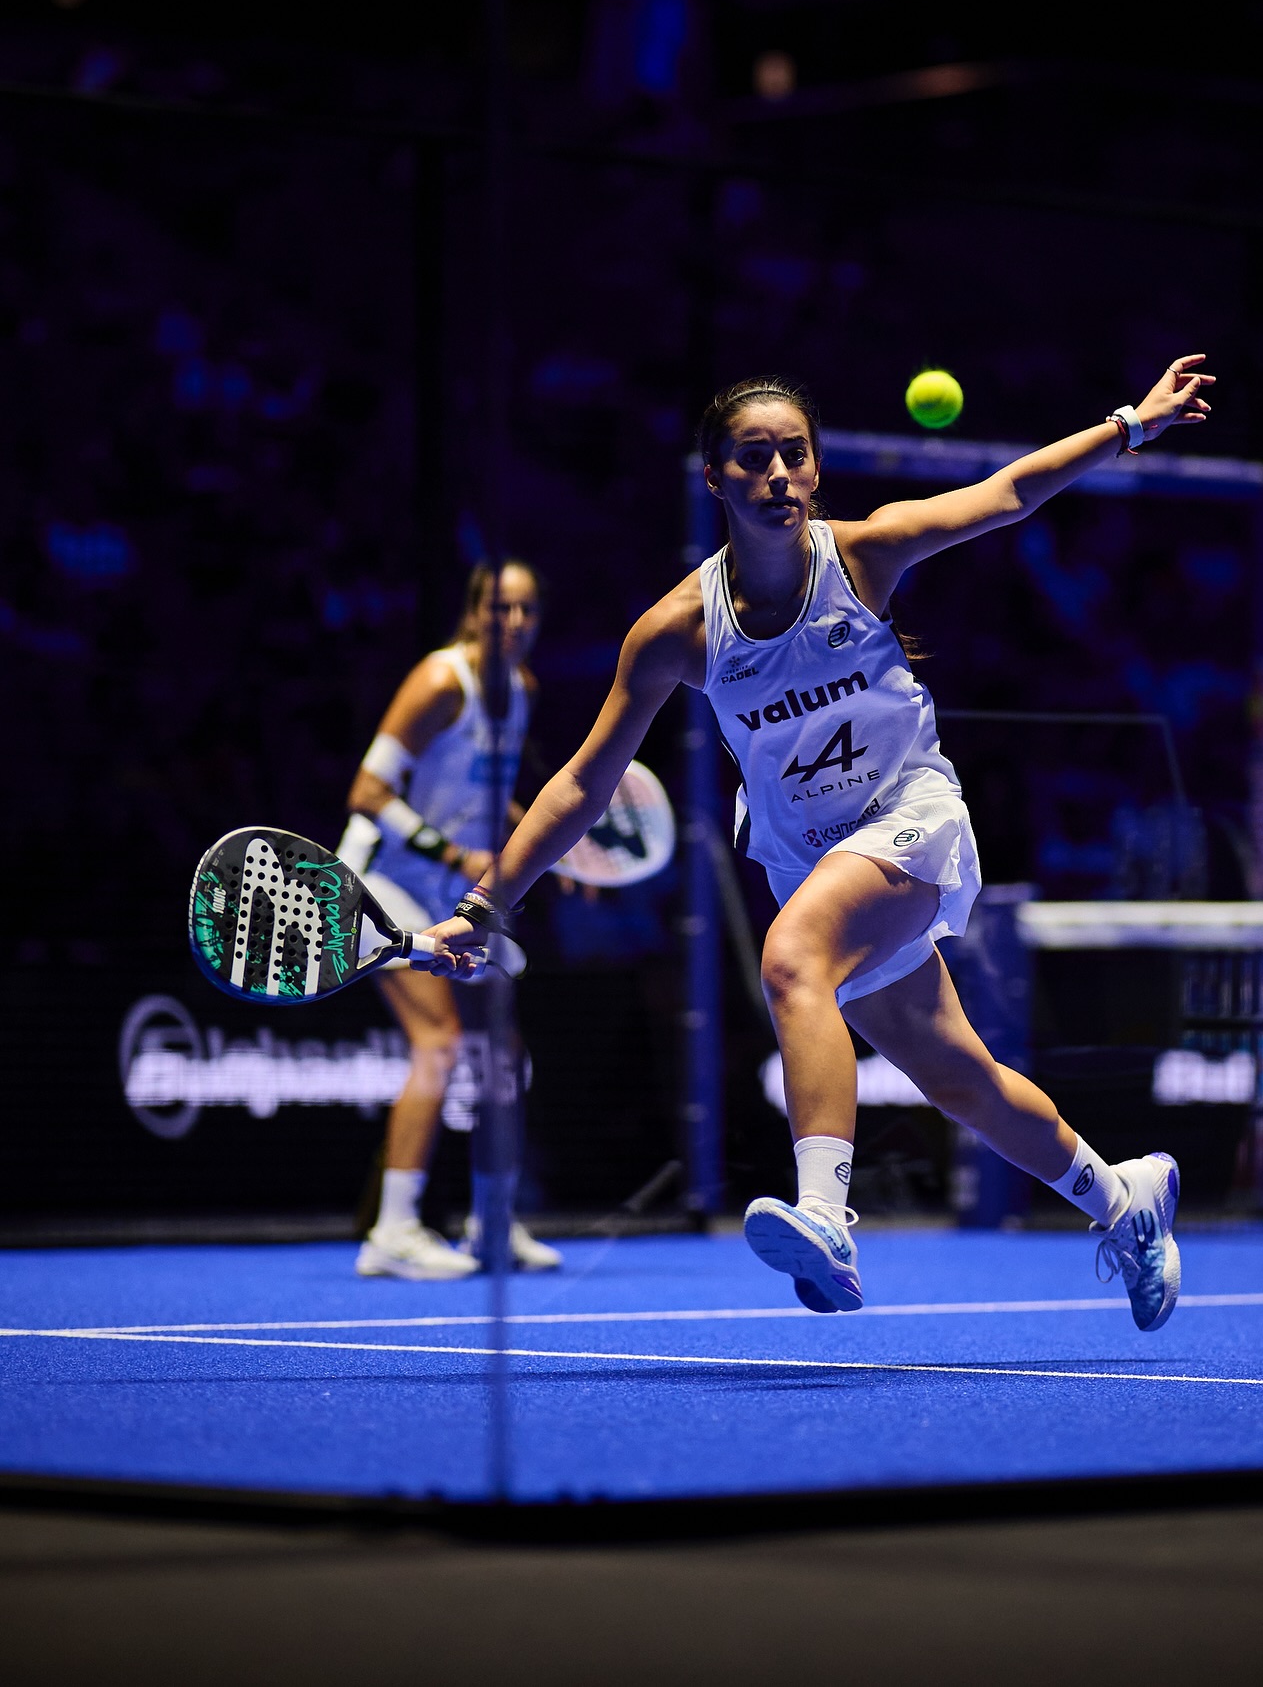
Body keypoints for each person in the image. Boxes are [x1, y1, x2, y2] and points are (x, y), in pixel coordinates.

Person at [417, 360, 1215, 1326]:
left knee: (791, 959)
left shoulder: (866, 557)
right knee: (959, 1079)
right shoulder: (676, 632)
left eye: (793, 455)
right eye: (753, 459)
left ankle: (828, 1223)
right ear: (715, 479)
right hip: (809, 860)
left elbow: (1008, 493)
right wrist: (484, 904)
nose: (778, 476)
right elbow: (585, 782)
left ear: (817, 469)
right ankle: (1126, 1201)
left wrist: (1129, 424)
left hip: (910, 817)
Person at [337, 557, 562, 1281]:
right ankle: (393, 1232)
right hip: (378, 885)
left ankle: (492, 1228)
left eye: (526, 610)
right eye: (500, 608)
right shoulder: (439, 683)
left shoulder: (522, 689)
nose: (514, 623)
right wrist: (457, 855)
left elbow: (484, 797)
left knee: (503, 1052)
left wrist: (546, 843)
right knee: (437, 1043)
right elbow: (368, 793)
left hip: (448, 893)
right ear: (472, 614)